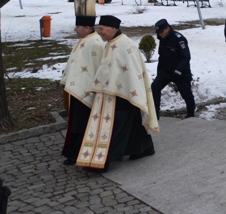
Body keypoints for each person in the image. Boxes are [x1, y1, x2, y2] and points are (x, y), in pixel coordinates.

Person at [76, 15, 157, 172]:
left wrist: (128, 91)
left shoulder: (125, 45)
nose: (99, 32)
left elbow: (132, 71)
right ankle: (145, 148)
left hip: (123, 94)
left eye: (101, 29)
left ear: (113, 28)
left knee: (114, 128)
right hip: (113, 92)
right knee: (132, 123)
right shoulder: (111, 43)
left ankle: (103, 161)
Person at [60, 15, 105, 166]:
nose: (75, 29)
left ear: (87, 28)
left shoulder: (96, 43)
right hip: (77, 90)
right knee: (76, 122)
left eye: (78, 26)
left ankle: (80, 153)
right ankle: (74, 152)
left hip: (87, 92)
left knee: (82, 124)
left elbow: (99, 68)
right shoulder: (83, 40)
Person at [151, 19, 196, 118]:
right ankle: (155, 114)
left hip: (180, 72)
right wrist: (159, 71)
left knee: (186, 94)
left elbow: (186, 57)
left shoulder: (179, 39)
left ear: (167, 28)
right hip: (166, 71)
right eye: (158, 32)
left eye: (161, 32)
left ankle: (191, 114)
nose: (159, 34)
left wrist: (178, 71)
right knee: (154, 87)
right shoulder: (162, 38)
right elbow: (161, 56)